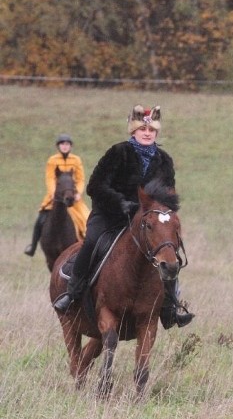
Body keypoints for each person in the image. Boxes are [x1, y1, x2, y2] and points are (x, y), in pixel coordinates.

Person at [52, 105, 194, 329]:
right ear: (133, 131)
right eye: (142, 129)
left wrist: (162, 213)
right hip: (110, 216)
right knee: (90, 243)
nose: (147, 133)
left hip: (147, 222)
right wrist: (120, 203)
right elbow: (95, 186)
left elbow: (169, 194)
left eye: (151, 130)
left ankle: (170, 307)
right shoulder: (117, 153)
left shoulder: (164, 160)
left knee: (169, 254)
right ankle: (72, 294)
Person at [24, 134, 91, 256]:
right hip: (55, 197)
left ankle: (89, 247)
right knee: (40, 220)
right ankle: (32, 246)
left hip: (73, 198)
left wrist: (78, 193)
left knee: (87, 219)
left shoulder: (76, 160)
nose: (65, 146)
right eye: (62, 144)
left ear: (70, 146)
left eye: (67, 144)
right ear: (58, 146)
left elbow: (80, 179)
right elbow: (50, 178)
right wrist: (52, 193)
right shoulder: (52, 160)